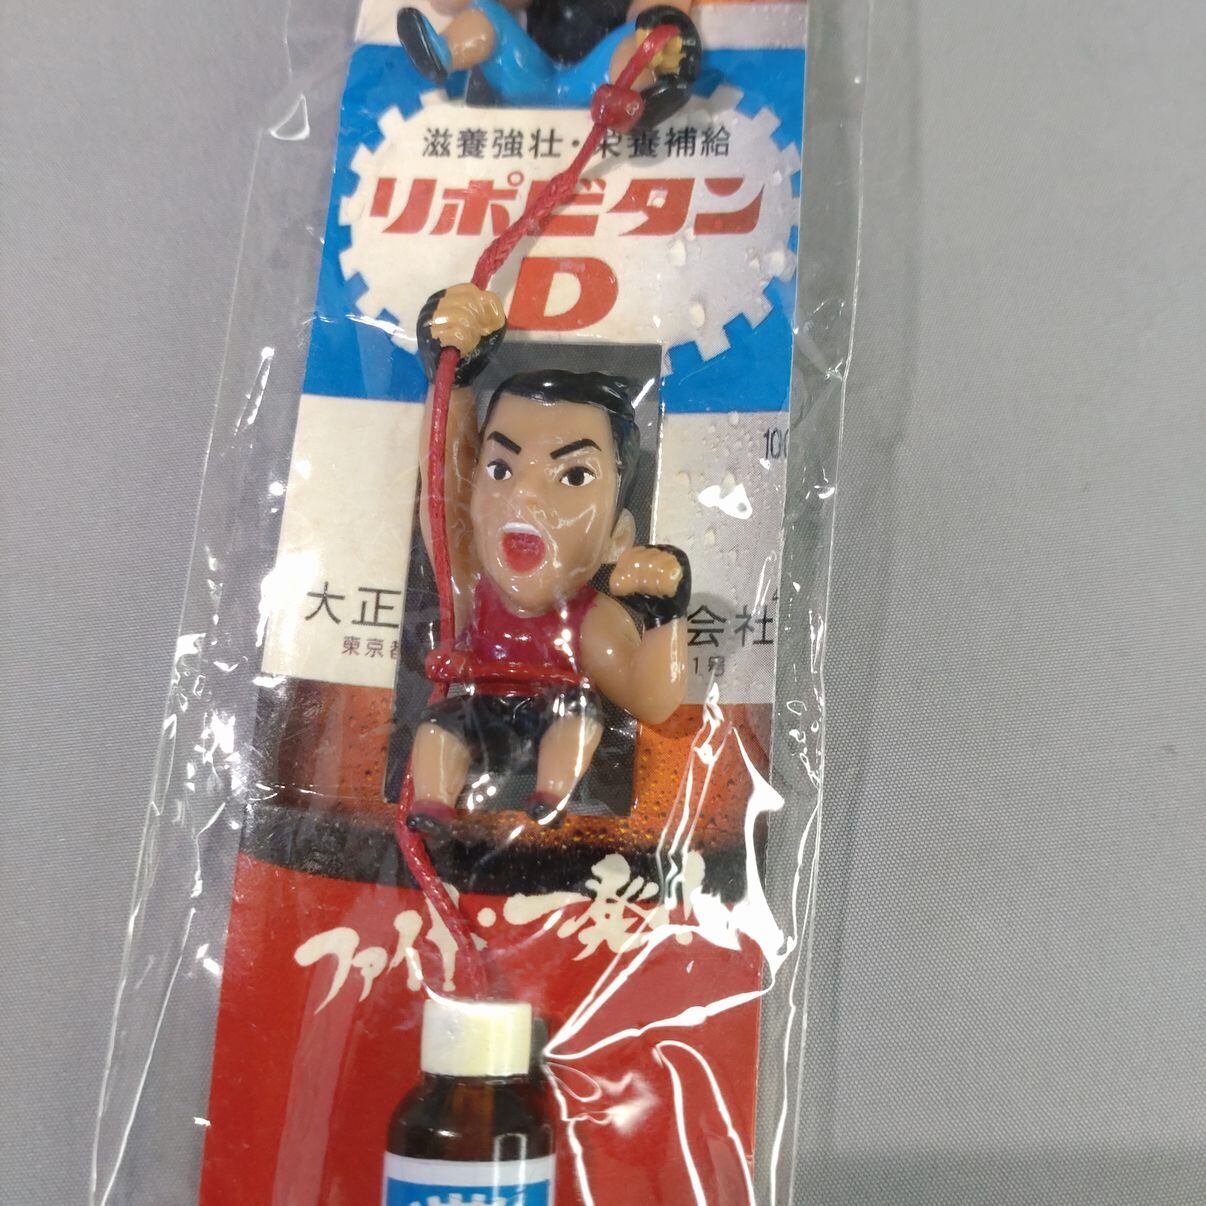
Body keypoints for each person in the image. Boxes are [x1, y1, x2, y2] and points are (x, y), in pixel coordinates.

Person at [407, 283, 690, 830]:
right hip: (479, 711)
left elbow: (649, 699)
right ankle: (432, 800)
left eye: (575, 476)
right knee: (438, 726)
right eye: (501, 469)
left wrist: (665, 618)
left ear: (617, 537)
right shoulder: (471, 589)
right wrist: (453, 381)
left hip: (553, 713)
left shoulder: (591, 621)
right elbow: (444, 493)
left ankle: (552, 793)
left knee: (579, 716)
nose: (525, 497)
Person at [396, 0, 700, 126]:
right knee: (486, 13)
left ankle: (640, 99)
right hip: (528, 78)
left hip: (603, 89)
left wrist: (663, 29)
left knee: (642, 37)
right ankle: (443, 51)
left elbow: (663, 12)